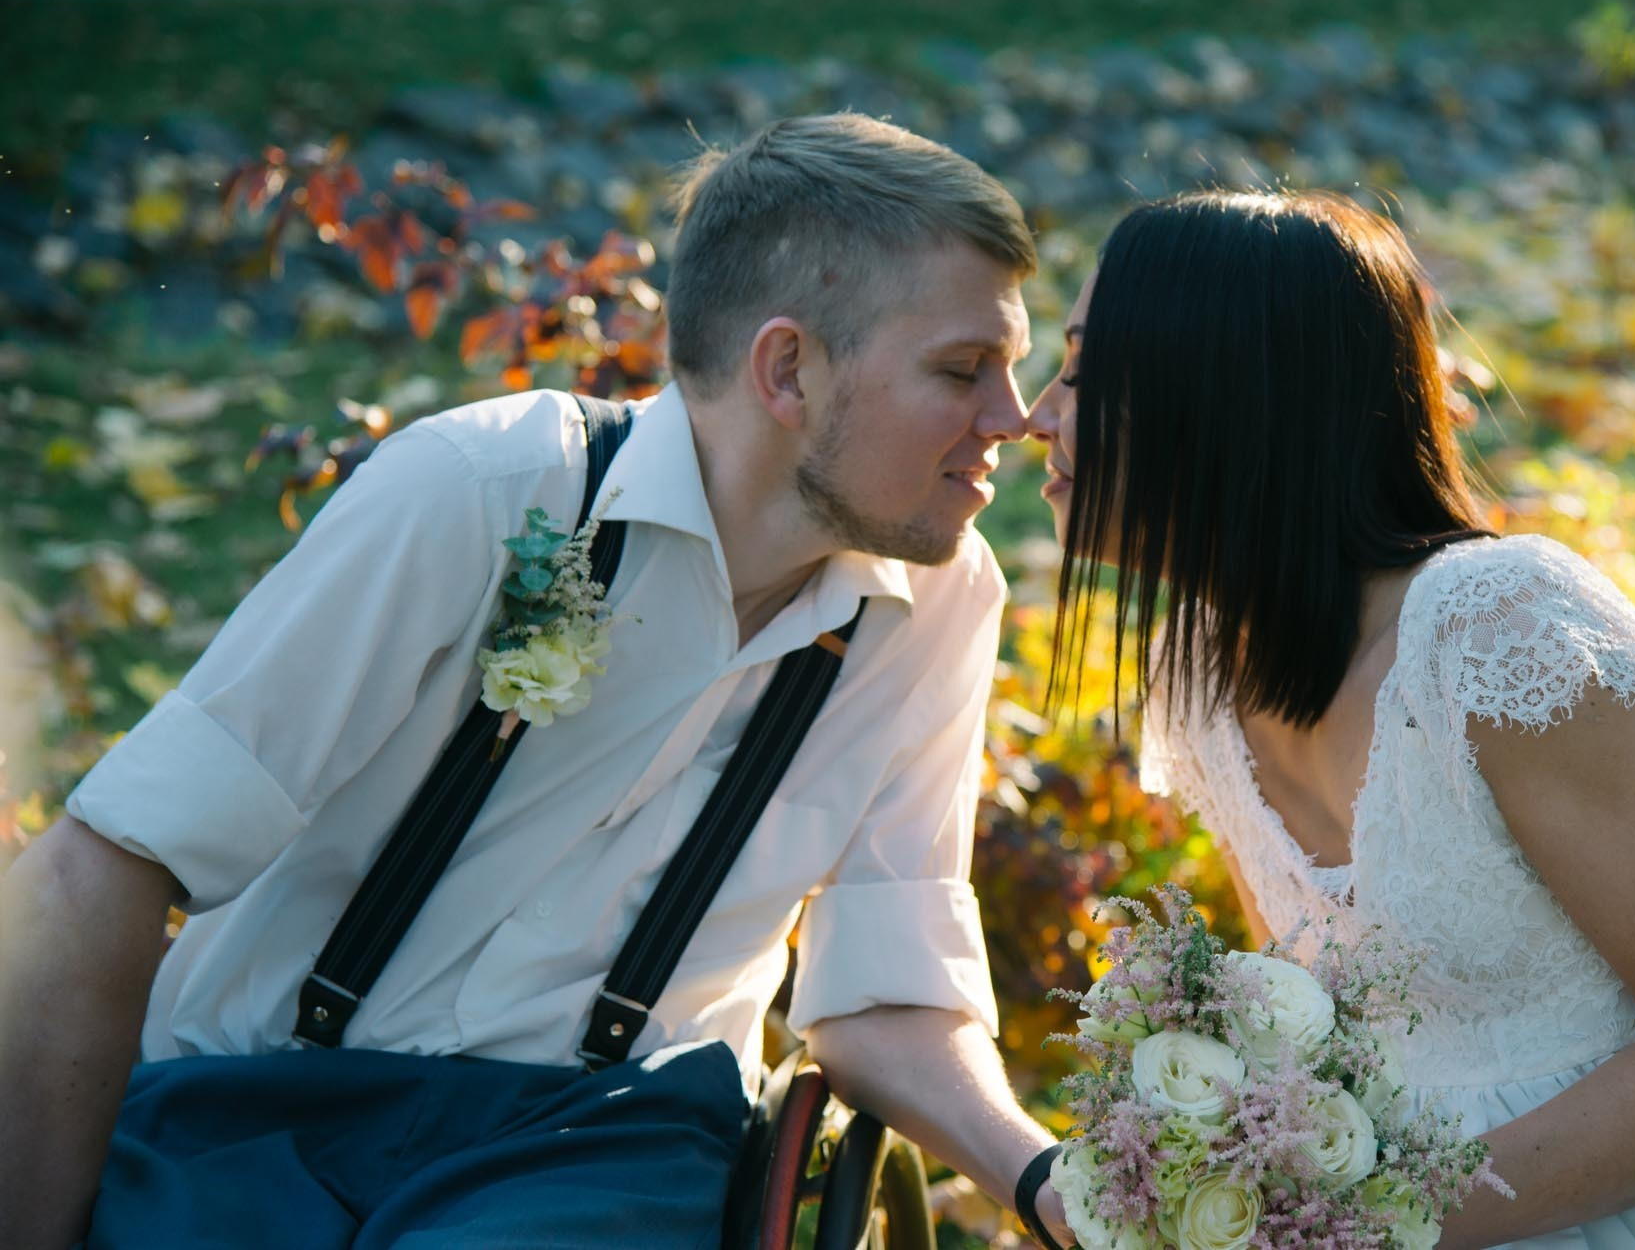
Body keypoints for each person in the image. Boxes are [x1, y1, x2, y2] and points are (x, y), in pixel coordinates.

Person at [0, 114, 1072, 1248]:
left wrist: (1051, 1184)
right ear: (787, 368)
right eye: (963, 370)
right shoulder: (477, 492)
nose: (1012, 418)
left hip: (600, 1151)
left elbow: (884, 1003)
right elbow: (100, 873)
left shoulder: (936, 605)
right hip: (248, 1123)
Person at [1023, 188, 1635, 1248]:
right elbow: (1324, 1028)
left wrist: (1365, 1224)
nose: (1033, 413)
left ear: (1227, 394)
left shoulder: (1500, 628)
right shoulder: (1198, 671)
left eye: (1082, 371)